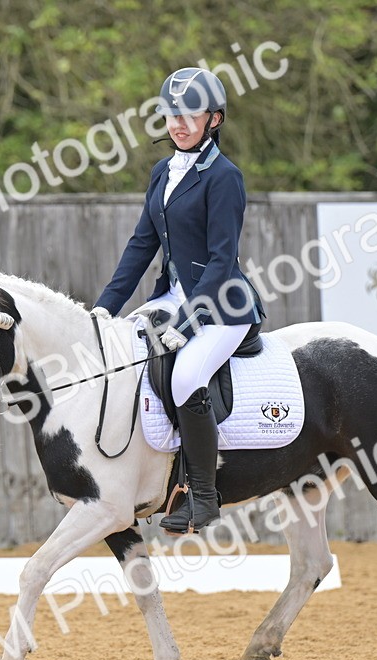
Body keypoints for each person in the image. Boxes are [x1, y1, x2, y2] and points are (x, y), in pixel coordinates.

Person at [92, 66, 265, 533]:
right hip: (170, 297)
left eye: (191, 115)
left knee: (187, 375)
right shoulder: (162, 171)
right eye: (171, 114)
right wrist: (107, 307)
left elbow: (221, 261)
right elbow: (141, 245)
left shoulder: (225, 177)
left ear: (214, 120)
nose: (179, 124)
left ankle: (205, 498)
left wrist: (187, 325)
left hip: (222, 305)